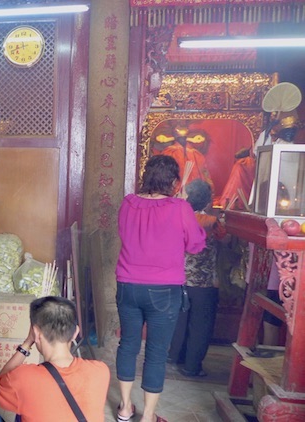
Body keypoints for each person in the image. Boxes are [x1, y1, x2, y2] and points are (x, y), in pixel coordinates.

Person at [115, 154, 206, 422]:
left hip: (128, 284)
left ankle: (124, 408)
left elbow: (124, 234)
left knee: (128, 344)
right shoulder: (180, 208)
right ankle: (148, 417)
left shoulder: (128, 203)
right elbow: (196, 245)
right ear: (175, 182)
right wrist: (185, 210)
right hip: (164, 290)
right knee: (155, 352)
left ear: (147, 177)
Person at [0, 296, 110, 422]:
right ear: (75, 333)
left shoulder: (23, 378)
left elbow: (0, 384)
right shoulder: (100, 371)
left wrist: (28, 342)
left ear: (36, 333)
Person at [168, 179, 224, 377]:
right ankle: (192, 367)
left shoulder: (176, 218)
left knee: (179, 321)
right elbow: (225, 239)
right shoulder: (212, 222)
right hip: (204, 282)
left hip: (178, 279)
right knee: (200, 325)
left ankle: (174, 356)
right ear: (207, 201)